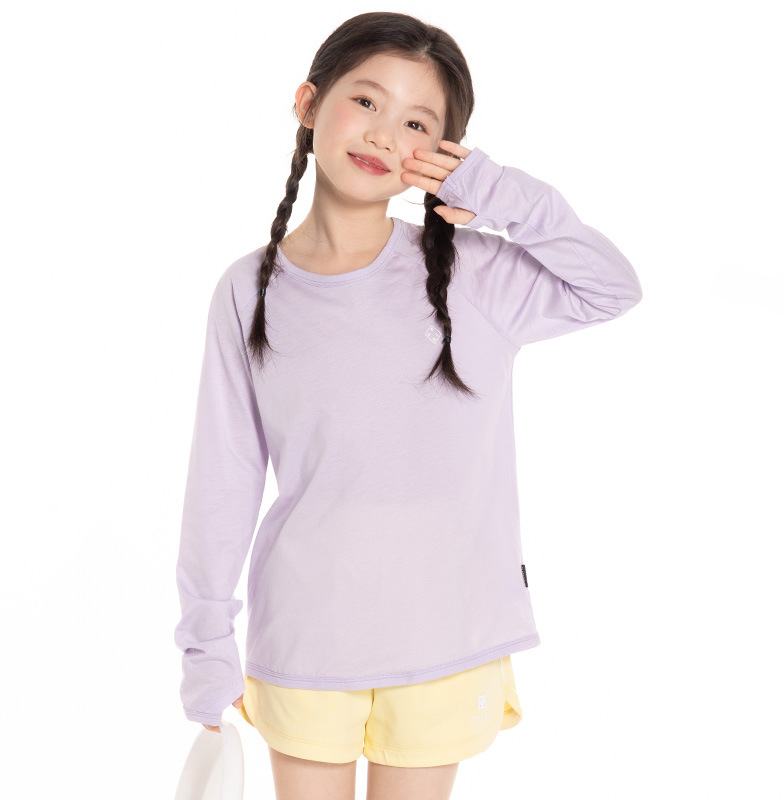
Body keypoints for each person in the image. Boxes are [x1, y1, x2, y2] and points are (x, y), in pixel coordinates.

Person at [173, 10, 643, 800]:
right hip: (305, 636)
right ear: (308, 103)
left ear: (443, 152)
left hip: (445, 638)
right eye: (365, 101)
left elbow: (611, 289)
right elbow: (224, 477)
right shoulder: (247, 289)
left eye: (417, 124)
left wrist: (498, 192)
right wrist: (205, 639)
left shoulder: (474, 275)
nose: (384, 135)